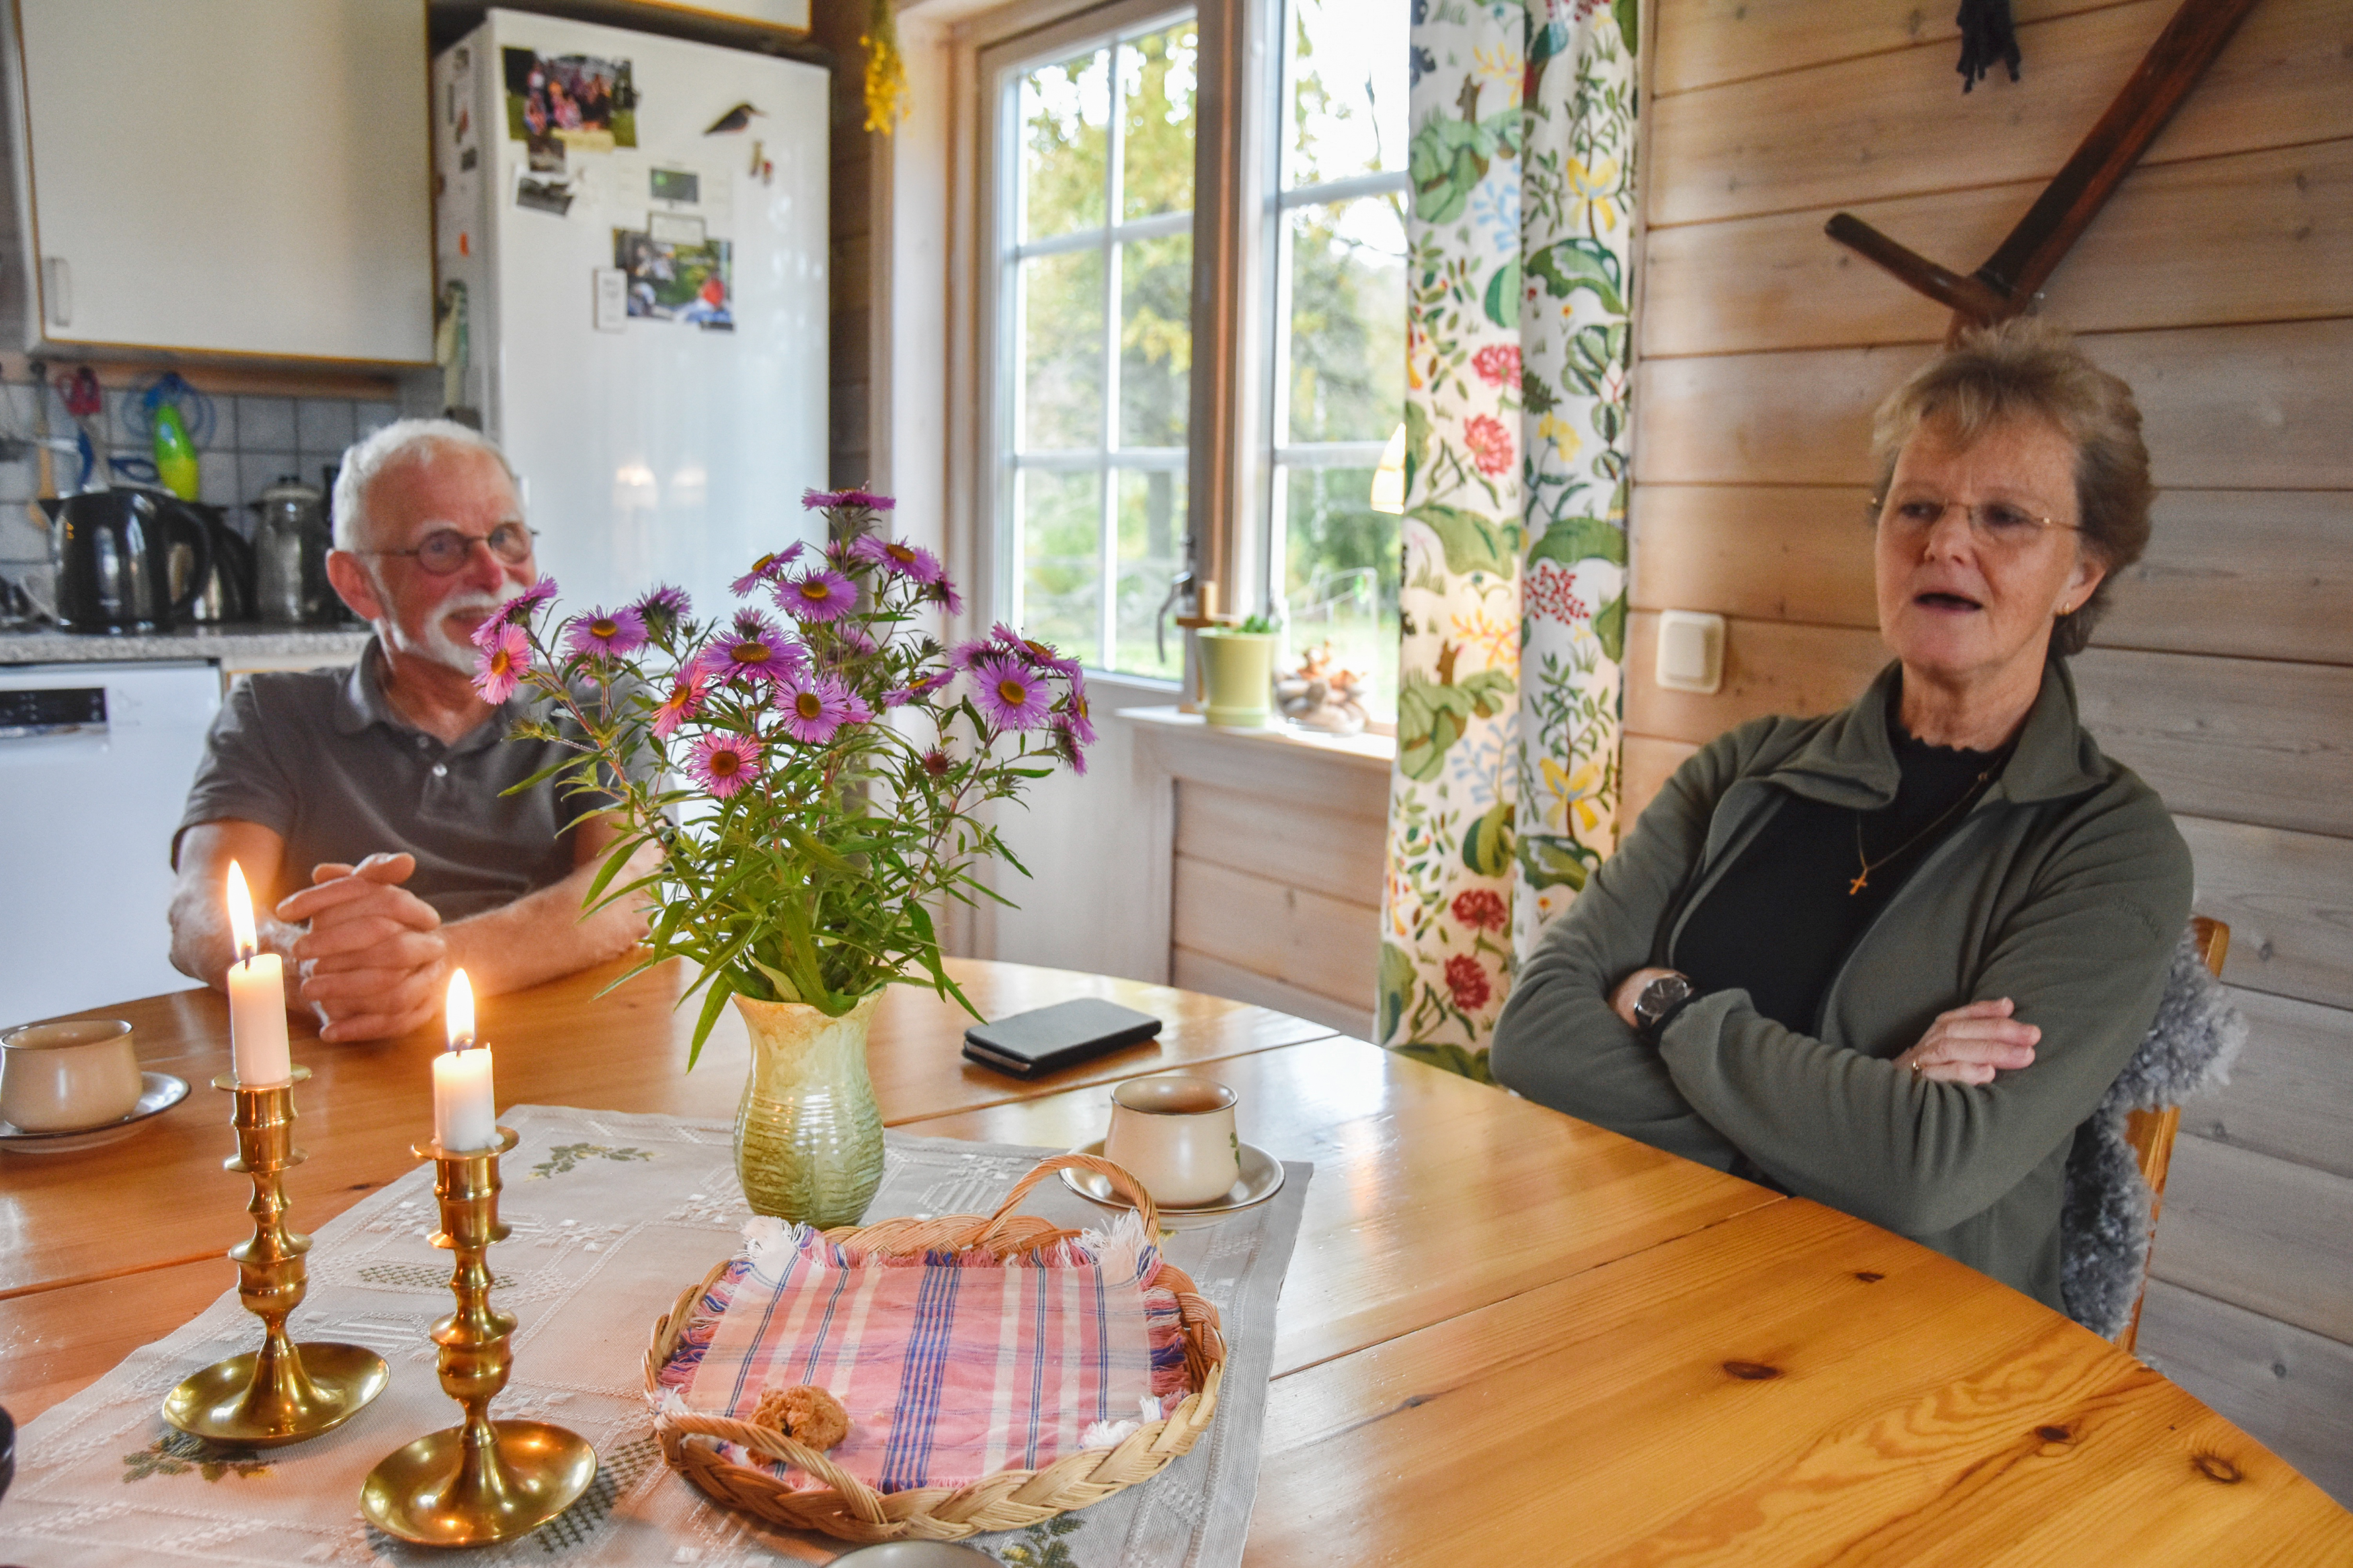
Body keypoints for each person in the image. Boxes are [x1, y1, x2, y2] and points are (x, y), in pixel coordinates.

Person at [1490, 320, 2192, 1315]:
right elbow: (1535, 1035)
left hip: (1909, 1347)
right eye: (1916, 507)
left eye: (2005, 517)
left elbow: (1927, 1167)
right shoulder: (1748, 767)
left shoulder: (2111, 845)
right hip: (1652, 1279)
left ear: (2084, 574)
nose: (1946, 542)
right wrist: (1843, 1120)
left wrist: (1670, 1013)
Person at [168, 420, 656, 1042]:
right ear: (357, 582)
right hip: (335, 1069)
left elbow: (629, 889)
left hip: (562, 1052)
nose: (490, 574)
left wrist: (431, 968)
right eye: (442, 547)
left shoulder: (605, 701)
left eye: (506, 537)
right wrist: (315, 972)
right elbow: (200, 910)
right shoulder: (272, 713)